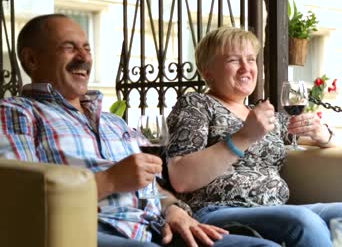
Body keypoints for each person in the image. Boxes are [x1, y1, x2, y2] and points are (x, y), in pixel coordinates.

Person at [0, 14, 280, 247]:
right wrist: (109, 180)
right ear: (32, 59)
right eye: (69, 47)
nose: (84, 57)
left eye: (87, 48)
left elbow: (155, 186)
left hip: (158, 228)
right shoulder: (17, 113)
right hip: (93, 232)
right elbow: (21, 201)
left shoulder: (114, 122)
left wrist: (173, 209)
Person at [165, 26, 342, 247]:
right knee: (304, 222)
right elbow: (181, 178)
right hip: (217, 210)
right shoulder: (196, 105)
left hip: (275, 208)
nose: (246, 68)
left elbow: (340, 142)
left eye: (250, 59)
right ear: (207, 71)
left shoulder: (262, 115)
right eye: (233, 60)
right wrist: (244, 137)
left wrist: (322, 133)